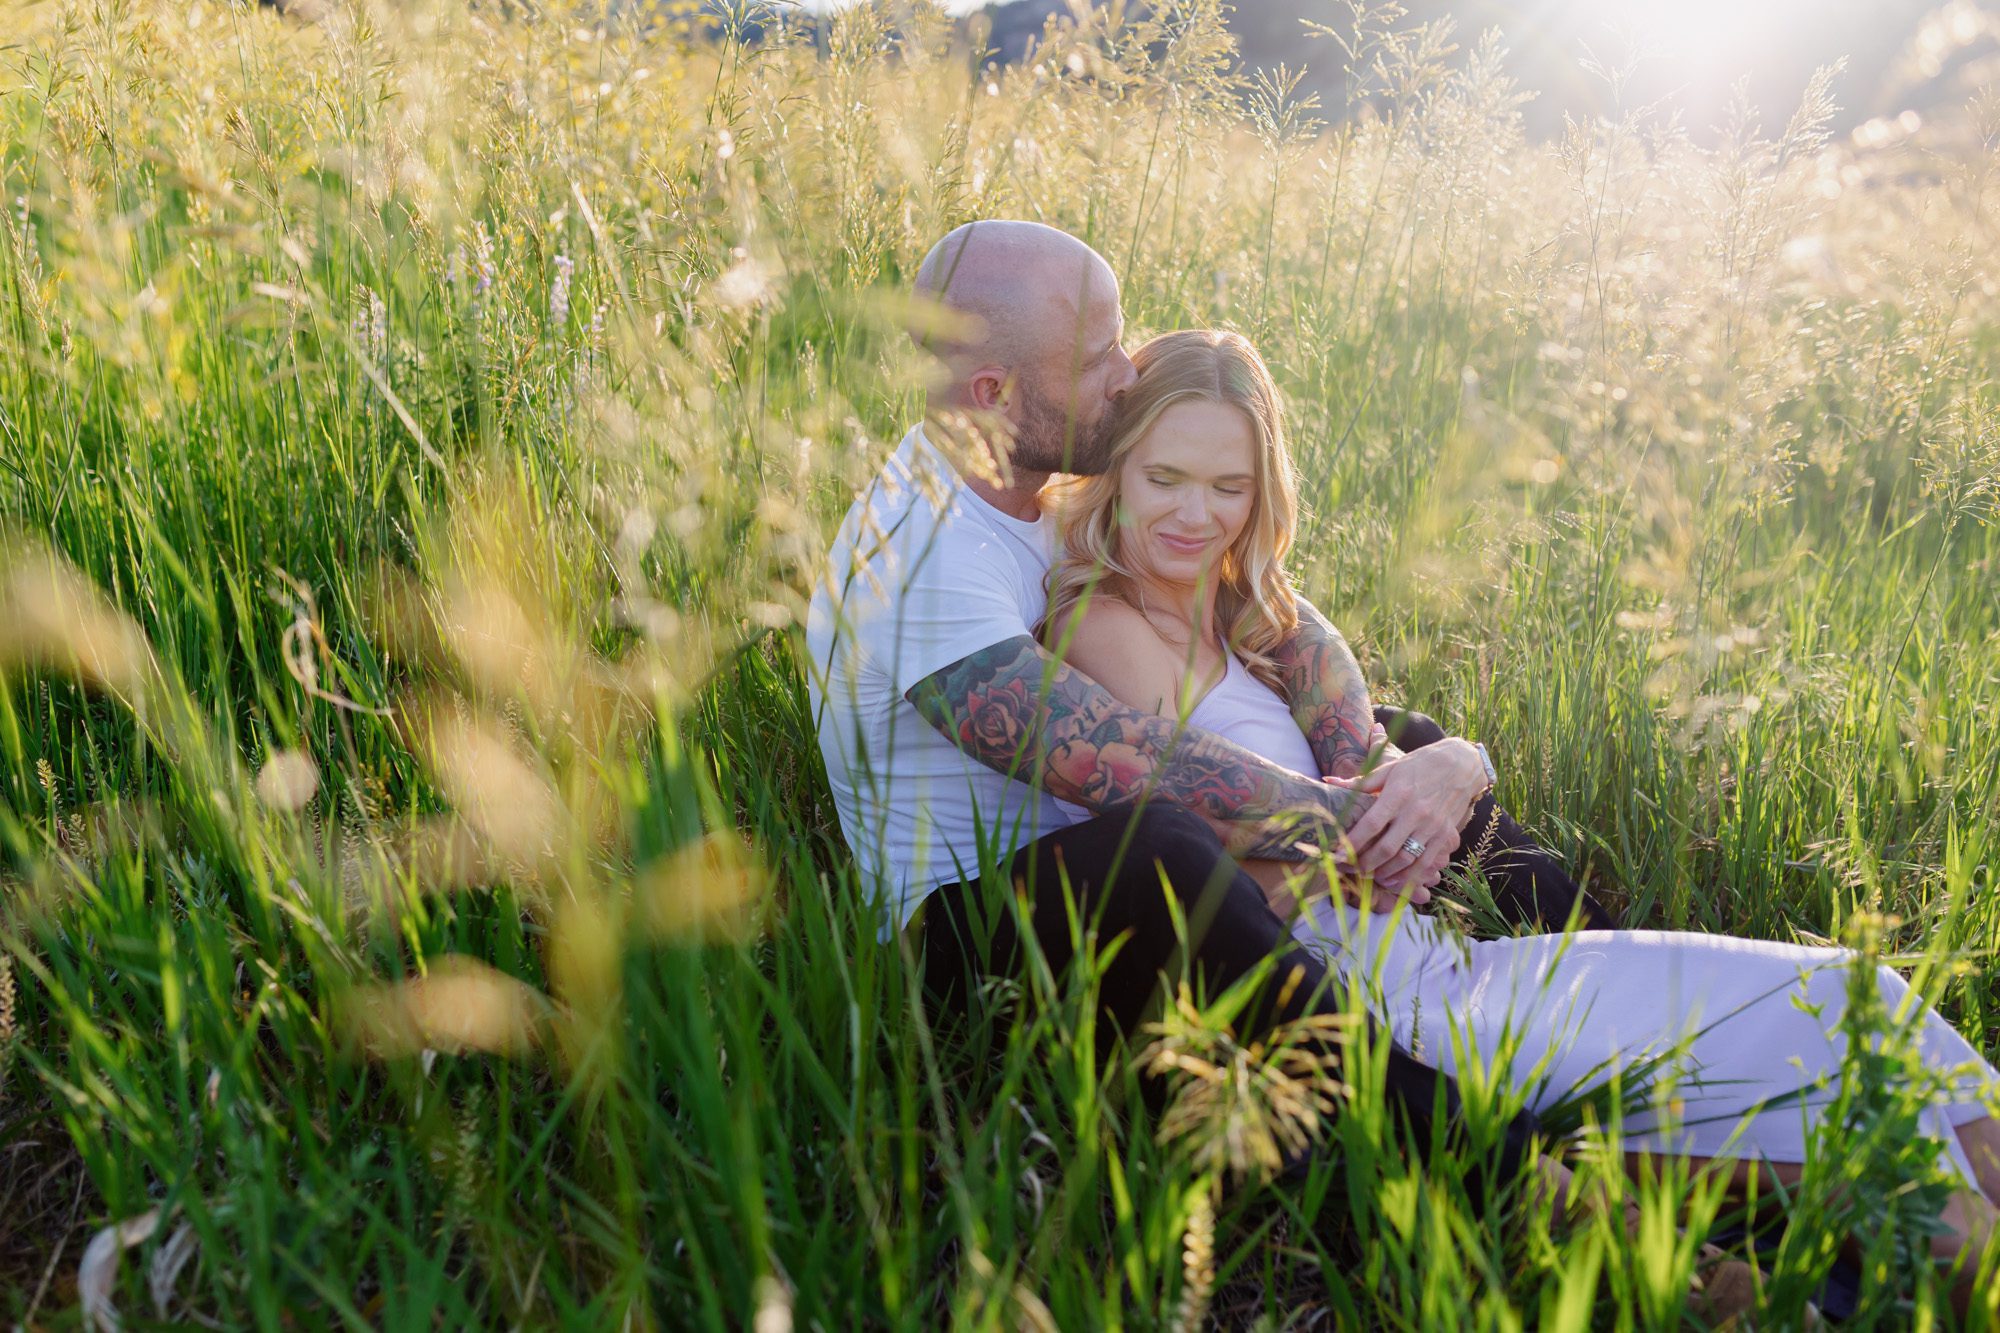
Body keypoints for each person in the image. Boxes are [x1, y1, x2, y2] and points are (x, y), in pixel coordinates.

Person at [1039, 325, 2000, 1286]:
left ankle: (1877, 1223)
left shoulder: (1253, 618)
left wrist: (1447, 764)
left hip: (1439, 958)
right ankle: (1843, 1228)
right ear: (1115, 468)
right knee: (1857, 1087)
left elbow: (1380, 778)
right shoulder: (1103, 625)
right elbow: (1206, 855)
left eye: (1229, 486)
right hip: (1369, 999)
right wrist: (1365, 838)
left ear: (1263, 492)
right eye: (1165, 476)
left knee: (1856, 1003)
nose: (1195, 514)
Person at [806, 219, 1606, 1203]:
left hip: (1114, 863)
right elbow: (1113, 760)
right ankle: (1512, 1182)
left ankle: (1614, 1005)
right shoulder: (920, 554)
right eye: (1098, 354)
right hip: (975, 953)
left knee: (1409, 751)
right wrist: (1359, 825)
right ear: (993, 394)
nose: (1129, 368)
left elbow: (1284, 622)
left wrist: (1396, 769)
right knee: (1164, 844)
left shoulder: (1026, 486)